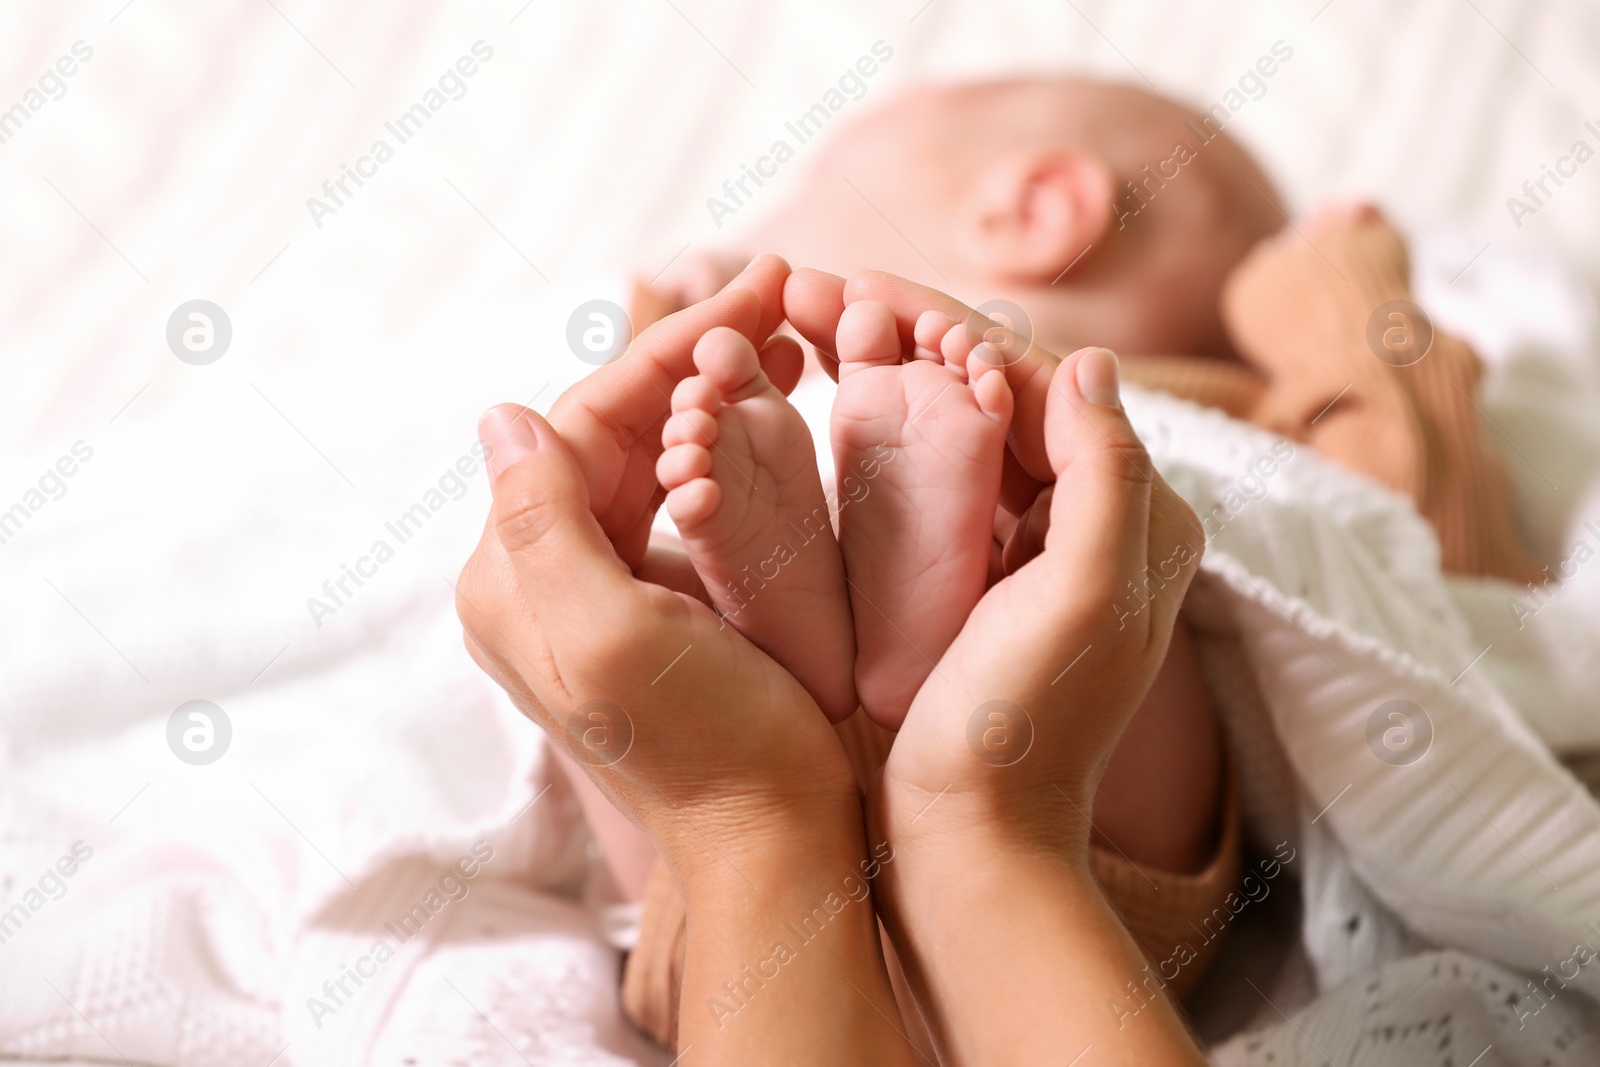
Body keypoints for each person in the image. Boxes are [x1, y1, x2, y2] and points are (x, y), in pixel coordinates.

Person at [455, 253, 1209, 1063]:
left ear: (1042, 212)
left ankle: (767, 646)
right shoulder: (1199, 391)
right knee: (1101, 571)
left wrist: (742, 812)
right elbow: (1358, 443)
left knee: (612, 658)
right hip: (1075, 907)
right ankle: (951, 613)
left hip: (744, 971)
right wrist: (1334, 290)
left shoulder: (1196, 379)